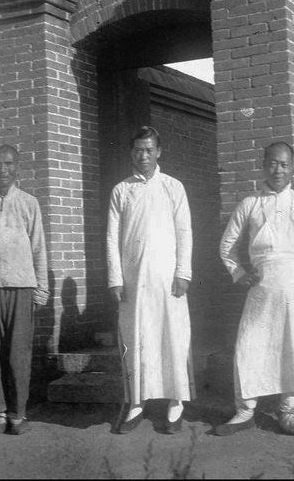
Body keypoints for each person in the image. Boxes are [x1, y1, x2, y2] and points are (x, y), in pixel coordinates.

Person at [217, 141, 294, 436]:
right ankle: (245, 410)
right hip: (263, 286)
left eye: (284, 164)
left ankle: (288, 410)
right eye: (272, 163)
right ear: (263, 165)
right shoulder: (250, 203)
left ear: (293, 167)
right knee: (249, 345)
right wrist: (238, 272)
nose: (278, 170)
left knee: (293, 346)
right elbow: (227, 246)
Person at [106, 126, 194, 434]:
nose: (143, 155)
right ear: (132, 153)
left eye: (149, 149)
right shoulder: (121, 190)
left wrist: (183, 272)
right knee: (137, 339)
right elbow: (112, 238)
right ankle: (137, 403)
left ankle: (175, 401)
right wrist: (116, 279)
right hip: (134, 281)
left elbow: (185, 232)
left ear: (158, 152)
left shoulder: (173, 187)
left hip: (167, 280)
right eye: (137, 150)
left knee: (171, 337)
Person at [0, 144, 49, 437]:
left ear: (17, 168)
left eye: (8, 164)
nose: (2, 170)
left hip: (21, 286)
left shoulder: (29, 203)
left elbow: (39, 247)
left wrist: (41, 290)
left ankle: (18, 415)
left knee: (18, 354)